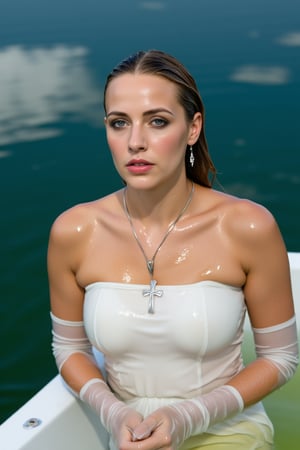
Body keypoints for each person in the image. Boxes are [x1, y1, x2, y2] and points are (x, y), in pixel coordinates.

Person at [48, 49, 298, 450]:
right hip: (126, 436)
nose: (135, 142)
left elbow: (281, 358)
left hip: (229, 430)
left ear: (193, 127)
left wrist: (188, 417)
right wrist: (114, 413)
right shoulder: (74, 230)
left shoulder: (248, 227)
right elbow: (69, 348)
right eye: (119, 123)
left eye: (158, 122)